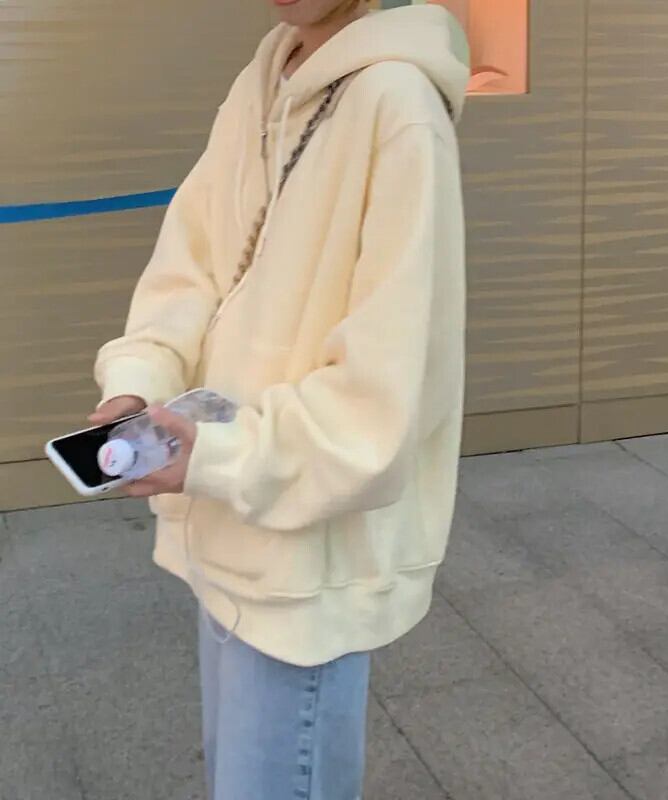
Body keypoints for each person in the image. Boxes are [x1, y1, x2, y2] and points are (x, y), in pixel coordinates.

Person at [89, 0, 469, 796]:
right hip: (225, 517)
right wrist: (141, 382)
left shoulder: (399, 106)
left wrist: (221, 455)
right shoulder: (266, 76)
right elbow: (194, 262)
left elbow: (386, 395)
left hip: (303, 552)